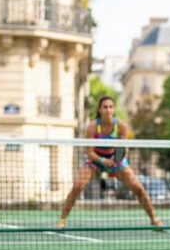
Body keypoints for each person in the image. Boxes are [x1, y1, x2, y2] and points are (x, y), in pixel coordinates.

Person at [58, 96, 163, 230]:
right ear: (100, 110)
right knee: (78, 185)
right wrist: (103, 161)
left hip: (115, 161)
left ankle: (154, 219)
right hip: (95, 160)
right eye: (105, 107)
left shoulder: (121, 126)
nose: (108, 109)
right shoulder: (92, 127)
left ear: (113, 110)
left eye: (111, 107)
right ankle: (62, 220)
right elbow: (89, 153)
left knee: (139, 189)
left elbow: (124, 149)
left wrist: (116, 160)